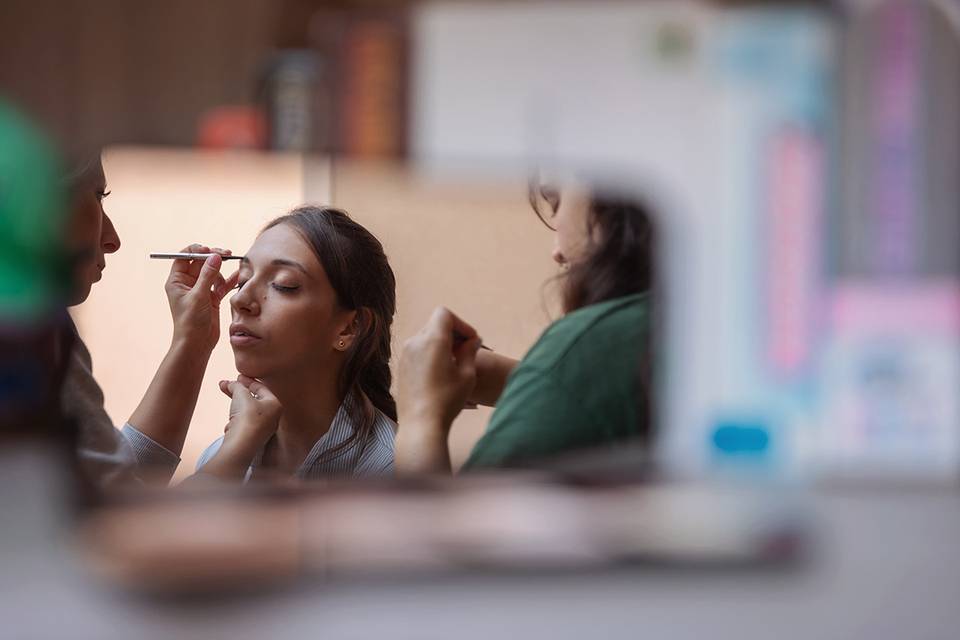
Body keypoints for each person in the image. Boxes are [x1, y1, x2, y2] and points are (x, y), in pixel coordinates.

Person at [395, 178, 655, 473]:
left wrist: (420, 416)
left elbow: (441, 520)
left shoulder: (587, 348)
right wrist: (527, 381)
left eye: (557, 203)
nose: (556, 251)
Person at [61, 150, 238, 487]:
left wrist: (193, 341)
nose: (112, 240)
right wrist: (241, 445)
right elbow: (118, 512)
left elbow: (113, 476)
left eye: (285, 285)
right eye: (98, 196)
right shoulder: (28, 338)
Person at [195, 206, 397, 482]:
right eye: (242, 281)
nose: (238, 300)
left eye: (283, 285)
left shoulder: (392, 471)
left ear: (350, 327)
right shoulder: (218, 460)